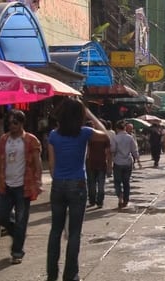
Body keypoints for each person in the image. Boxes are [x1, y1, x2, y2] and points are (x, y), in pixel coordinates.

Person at [46, 98, 109, 281]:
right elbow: (106, 135)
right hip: (78, 184)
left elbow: (51, 164)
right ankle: (70, 274)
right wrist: (90, 113)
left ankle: (51, 275)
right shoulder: (85, 133)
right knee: (74, 232)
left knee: (55, 231)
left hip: (58, 184)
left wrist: (58, 179)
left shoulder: (53, 135)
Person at [0, 109, 43, 265]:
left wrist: (38, 180)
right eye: (10, 122)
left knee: (22, 219)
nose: (12, 125)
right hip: (6, 184)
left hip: (24, 185)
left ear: (21, 123)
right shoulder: (3, 140)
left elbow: (37, 162)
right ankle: (17, 233)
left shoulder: (30, 140)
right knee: (1, 216)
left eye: (15, 122)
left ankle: (17, 252)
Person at [111, 120, 142, 208]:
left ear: (116, 129)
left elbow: (112, 150)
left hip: (118, 162)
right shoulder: (130, 137)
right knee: (126, 182)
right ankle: (126, 199)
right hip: (128, 162)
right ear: (124, 128)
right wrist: (138, 161)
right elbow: (134, 150)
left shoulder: (115, 138)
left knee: (117, 182)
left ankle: (120, 197)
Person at [86, 121, 112, 208]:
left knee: (91, 183)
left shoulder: (90, 137)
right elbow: (108, 153)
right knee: (101, 184)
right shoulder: (105, 137)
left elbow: (87, 151)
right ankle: (100, 202)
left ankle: (92, 201)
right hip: (101, 163)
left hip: (91, 163)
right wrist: (109, 165)